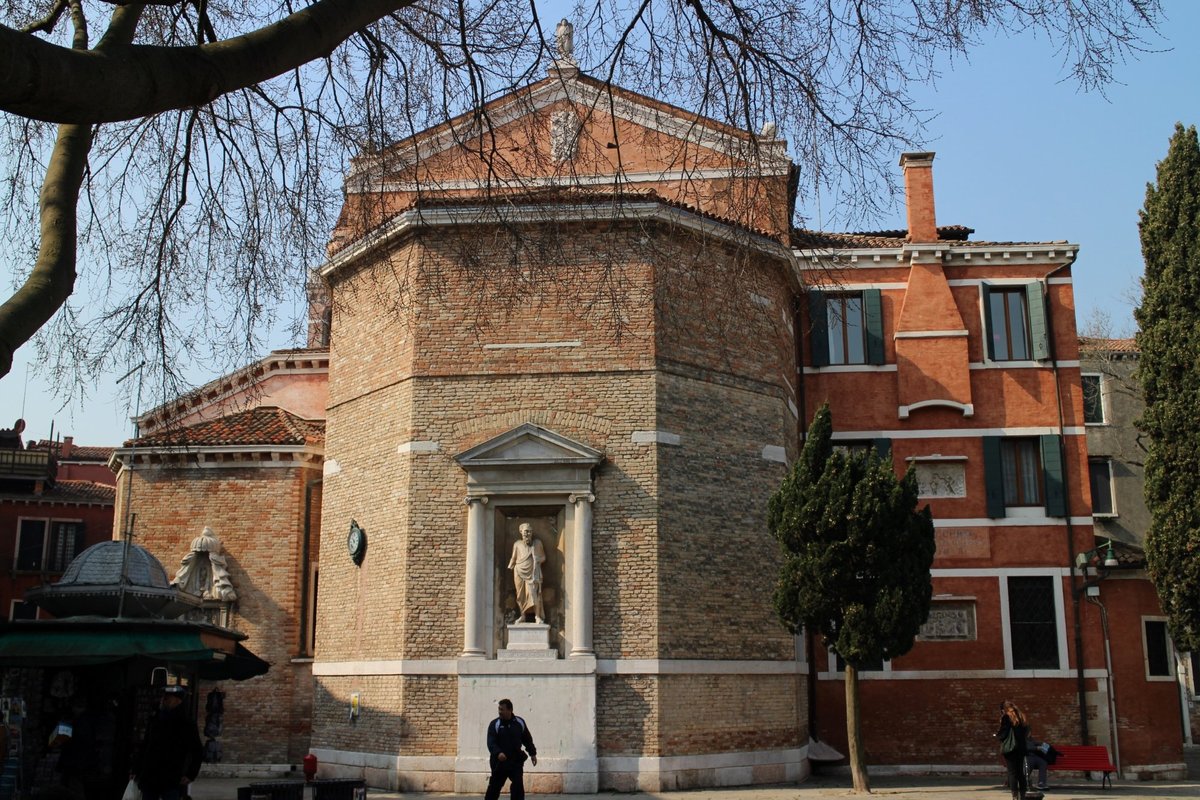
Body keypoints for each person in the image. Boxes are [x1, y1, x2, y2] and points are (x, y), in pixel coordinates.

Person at [132, 686, 203, 800]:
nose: (163, 700)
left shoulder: (186, 724)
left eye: (167, 698)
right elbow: (145, 747)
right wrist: (136, 769)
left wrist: (191, 774)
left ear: (178, 701)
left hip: (172, 776)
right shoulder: (156, 720)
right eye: (163, 697)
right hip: (151, 775)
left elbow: (197, 750)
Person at [484, 699, 537, 800]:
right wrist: (498, 753)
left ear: (510, 710)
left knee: (518, 787)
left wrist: (533, 753)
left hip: (515, 761)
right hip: (499, 763)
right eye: (499, 709)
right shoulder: (495, 724)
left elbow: (527, 739)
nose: (499, 712)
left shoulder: (519, 722)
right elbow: (491, 742)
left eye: (502, 709)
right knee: (494, 789)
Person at [508, 524, 546, 623]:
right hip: (519, 572)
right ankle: (522, 616)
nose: (528, 534)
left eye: (529, 531)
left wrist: (538, 559)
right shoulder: (517, 544)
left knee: (533, 594)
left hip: (532, 573)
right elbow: (514, 557)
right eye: (526, 531)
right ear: (521, 532)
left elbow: (543, 557)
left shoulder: (537, 544)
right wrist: (510, 565)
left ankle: (537, 617)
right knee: (520, 596)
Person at [996, 700, 1029, 800]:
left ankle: (1015, 796)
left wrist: (998, 736)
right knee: (1020, 772)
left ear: (1004, 709)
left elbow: (1004, 733)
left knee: (1012, 773)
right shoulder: (1022, 716)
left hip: (1011, 748)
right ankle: (1023, 795)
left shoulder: (1006, 717)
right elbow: (1026, 732)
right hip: (1021, 748)